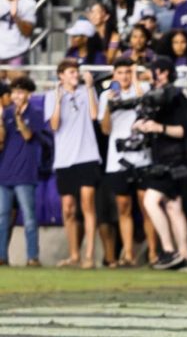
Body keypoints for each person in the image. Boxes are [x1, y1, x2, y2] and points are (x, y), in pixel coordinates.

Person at [136, 59, 187, 272]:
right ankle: (185, 257)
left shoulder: (175, 97)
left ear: (164, 73)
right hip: (162, 158)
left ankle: (170, 251)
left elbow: (183, 131)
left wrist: (157, 127)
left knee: (151, 200)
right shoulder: (155, 98)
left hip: (173, 159)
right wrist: (141, 124)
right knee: (174, 207)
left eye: (155, 72)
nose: (152, 76)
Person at [98, 57, 151, 267]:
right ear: (114, 75)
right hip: (117, 158)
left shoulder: (142, 88)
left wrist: (137, 76)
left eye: (128, 72)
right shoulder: (107, 95)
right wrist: (110, 105)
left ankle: (154, 254)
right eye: (120, 73)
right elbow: (105, 129)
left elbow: (144, 104)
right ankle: (128, 253)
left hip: (142, 156)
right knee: (123, 207)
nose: (124, 77)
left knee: (146, 205)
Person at [49, 58, 101, 269]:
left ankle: (89, 255)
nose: (74, 75)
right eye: (70, 72)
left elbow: (95, 115)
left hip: (87, 156)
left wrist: (89, 88)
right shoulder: (51, 96)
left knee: (87, 204)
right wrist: (58, 99)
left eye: (75, 71)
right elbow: (54, 124)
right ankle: (73, 255)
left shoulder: (86, 90)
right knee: (68, 208)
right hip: (64, 159)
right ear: (61, 75)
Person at [0, 77, 42, 267]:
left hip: (25, 172)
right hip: (5, 172)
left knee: (29, 217)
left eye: (21, 92)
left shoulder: (35, 112)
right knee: (2, 218)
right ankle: (2, 257)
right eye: (14, 92)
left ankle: (32, 257)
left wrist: (18, 118)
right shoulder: (5, 113)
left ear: (29, 94)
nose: (17, 95)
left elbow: (27, 135)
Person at [0, 0, 37, 66]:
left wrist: (16, 17)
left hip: (18, 52)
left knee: (18, 80)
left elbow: (28, 32)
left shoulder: (29, 3)